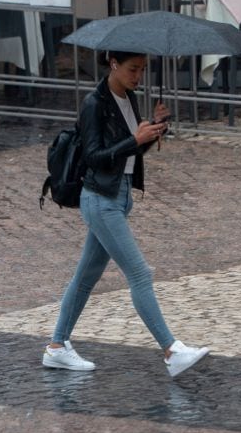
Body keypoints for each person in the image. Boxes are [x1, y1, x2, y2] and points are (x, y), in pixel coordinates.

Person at [43, 50, 210, 377]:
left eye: (143, 70)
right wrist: (133, 138)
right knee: (140, 274)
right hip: (100, 200)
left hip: (119, 197)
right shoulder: (94, 104)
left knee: (85, 277)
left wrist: (155, 130)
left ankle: (57, 347)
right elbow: (93, 157)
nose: (138, 76)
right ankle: (171, 350)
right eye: (133, 69)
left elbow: (130, 153)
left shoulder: (129, 99)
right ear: (114, 64)